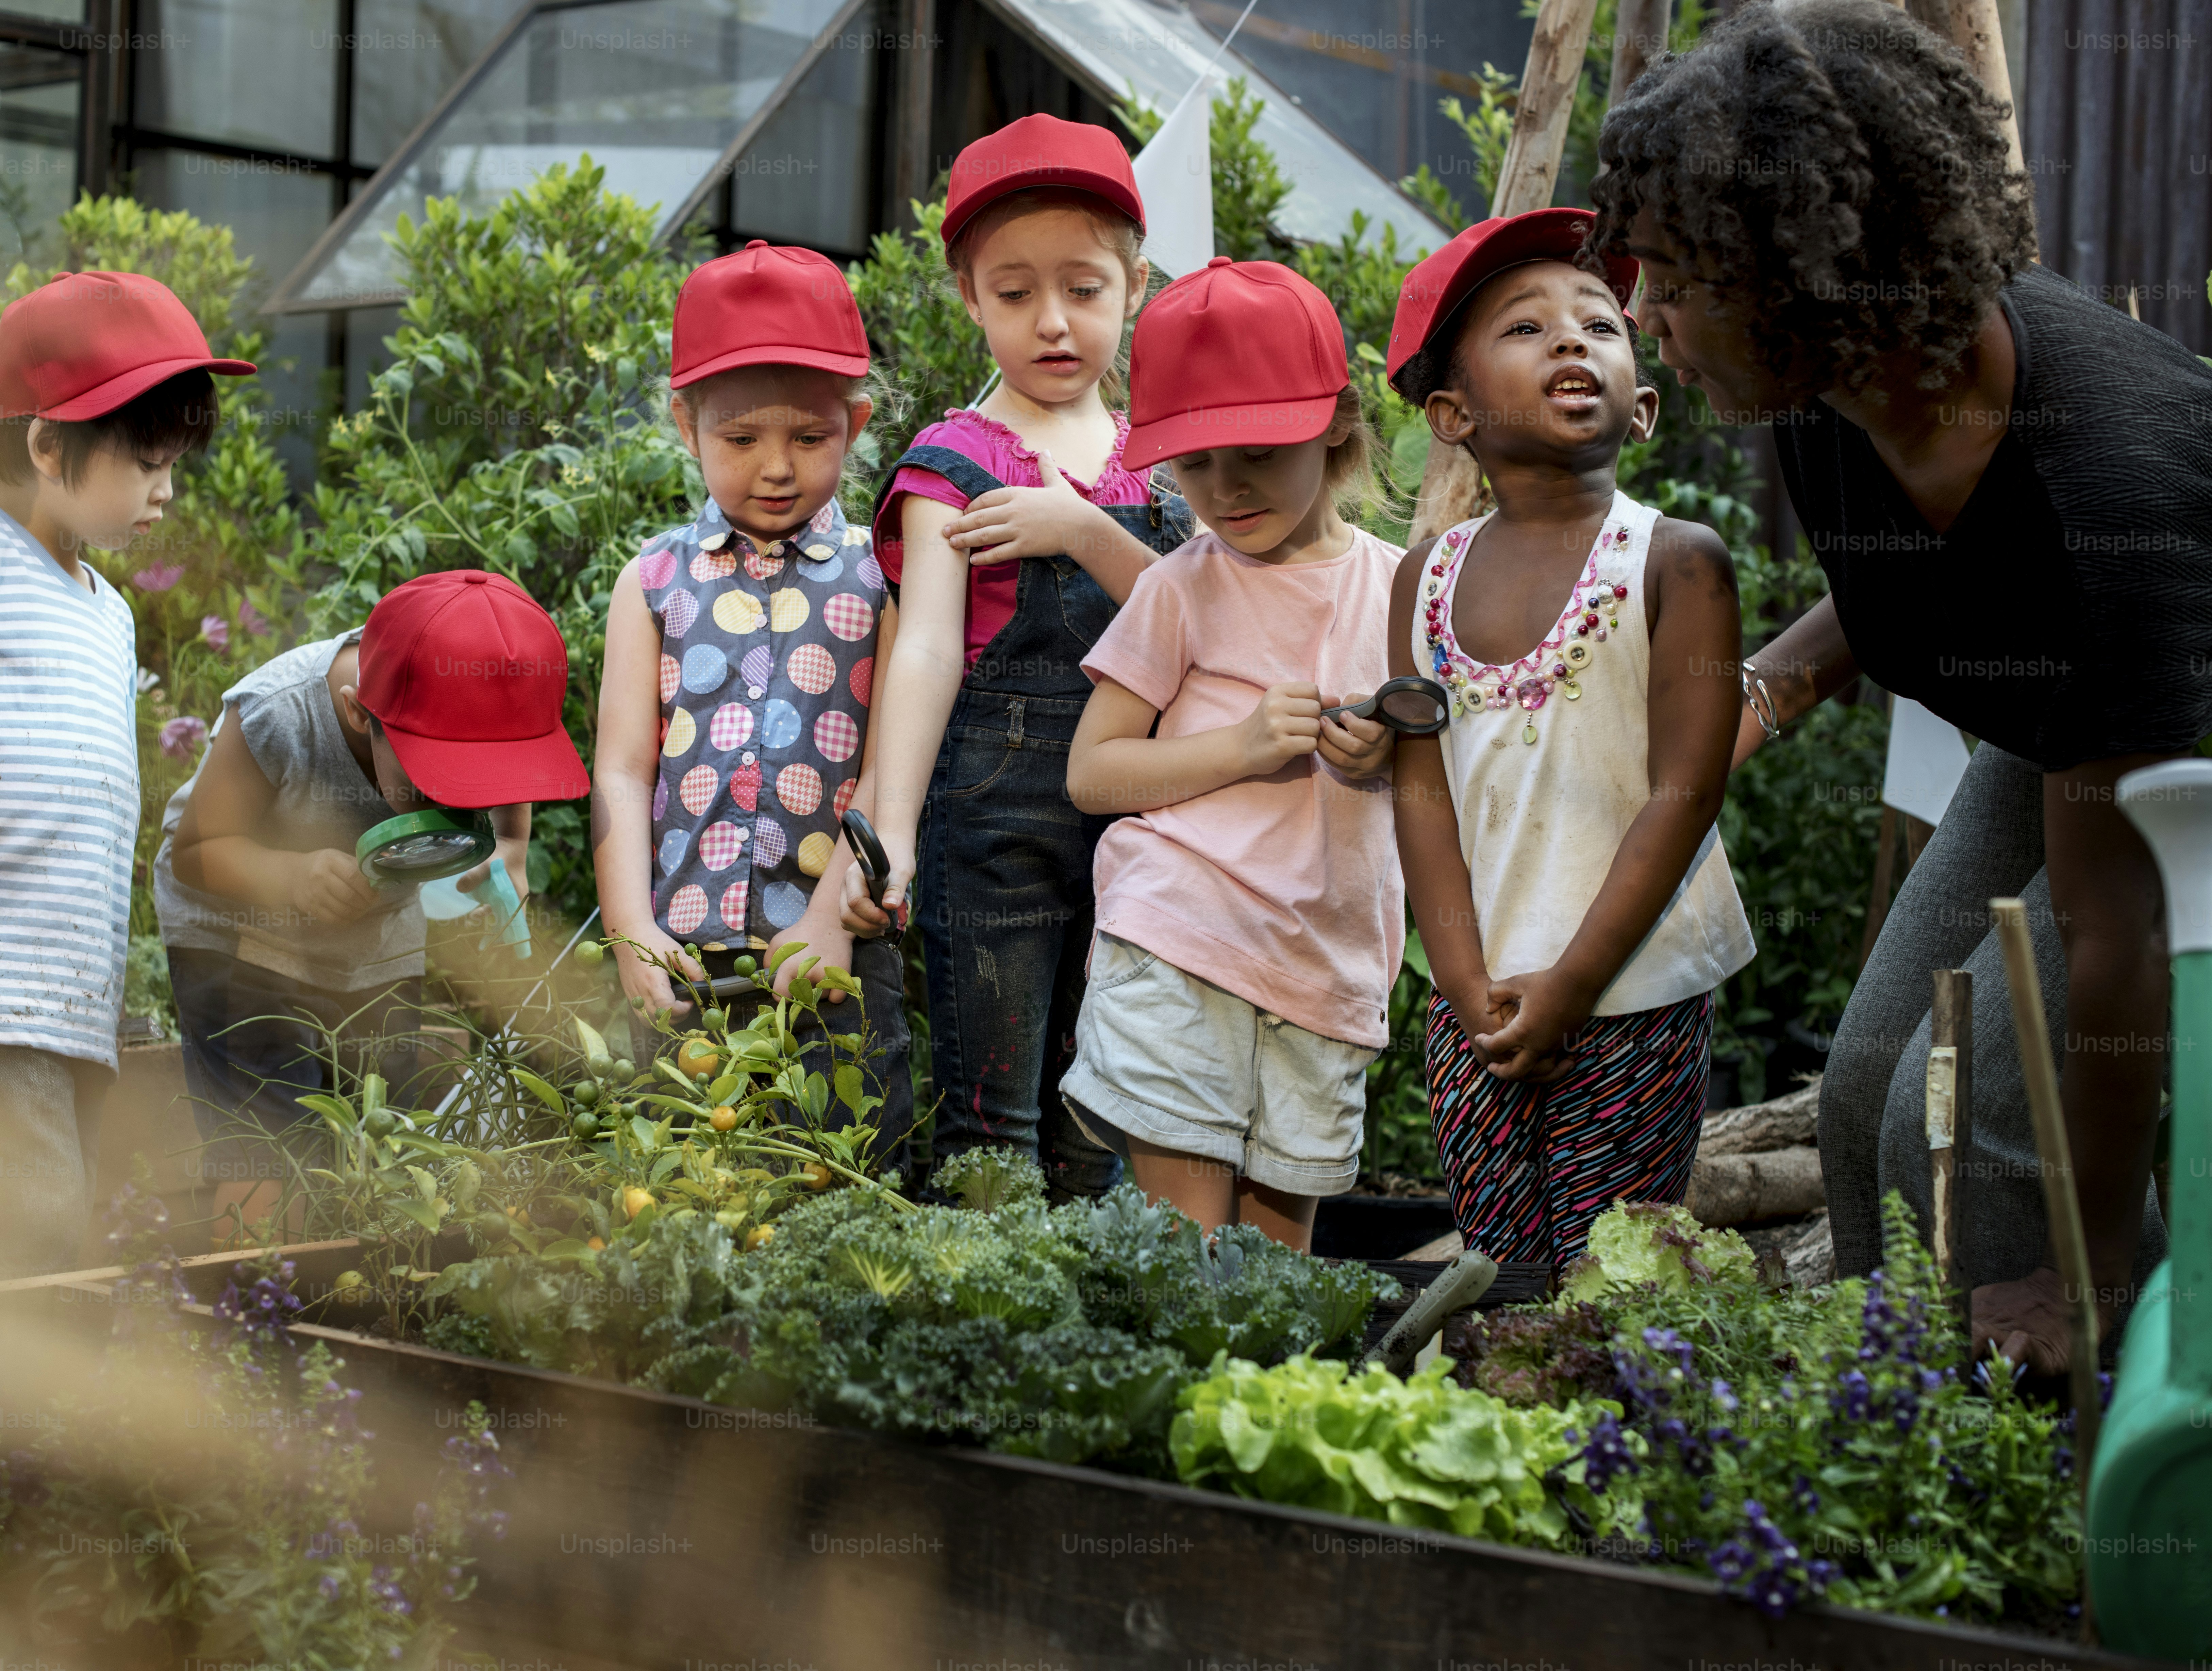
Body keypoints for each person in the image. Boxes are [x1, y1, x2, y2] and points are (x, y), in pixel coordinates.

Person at [1590, 0, 2212, 1368]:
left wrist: (2080, 1277)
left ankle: (2102, 1421)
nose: (1641, 317)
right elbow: (1914, 578)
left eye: (1675, 285)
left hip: (2183, 752)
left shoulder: (2101, 496)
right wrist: (1757, 698)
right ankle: (1901, 1410)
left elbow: (2110, 950)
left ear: (1805, 282)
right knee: (1869, 1084)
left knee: (1993, 1121)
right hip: (2072, 725)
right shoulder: (1834, 393)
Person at [1384, 209, 1757, 1275]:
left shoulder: (1678, 564)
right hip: (1480, 1002)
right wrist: (1463, 985)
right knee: (1496, 1276)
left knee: (1613, 1280)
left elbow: (1685, 795)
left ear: (1644, 406)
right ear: (1453, 413)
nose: (1570, 339)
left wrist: (1575, 984)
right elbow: (1421, 791)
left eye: (1600, 324)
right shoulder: (1423, 580)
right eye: (1525, 327)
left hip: (1632, 992)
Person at [846, 115, 1194, 1201]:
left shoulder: (1166, 466)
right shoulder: (952, 465)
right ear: (969, 296)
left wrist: (1083, 530)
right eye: (1014, 292)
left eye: (1084, 289)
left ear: (1134, 287)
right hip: (995, 820)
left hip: (1142, 826)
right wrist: (892, 829)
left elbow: (1203, 627)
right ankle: (985, 1291)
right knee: (993, 1115)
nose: (1053, 322)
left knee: (1105, 1115)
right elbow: (925, 650)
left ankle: (1087, 1304)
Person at [1055, 258, 1399, 1252]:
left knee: (1274, 1277)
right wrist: (1242, 747)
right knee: (1191, 1257)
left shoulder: (1405, 589)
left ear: (1337, 423)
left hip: (1325, 969)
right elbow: (1094, 773)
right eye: (1194, 463)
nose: (1225, 486)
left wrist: (1383, 759)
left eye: (1257, 450)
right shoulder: (1180, 586)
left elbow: (1455, 786)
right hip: (1182, 936)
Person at [592, 240, 912, 1172]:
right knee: (684, 1191)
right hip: (686, 961)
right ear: (686, 424)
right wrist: (633, 935)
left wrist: (832, 915)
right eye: (741, 440)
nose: (776, 468)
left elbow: (894, 765)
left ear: (855, 423)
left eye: (810, 438)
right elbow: (621, 769)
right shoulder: (653, 580)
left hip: (835, 951)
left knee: (844, 1180)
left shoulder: (883, 577)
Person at [157, 569, 580, 1237]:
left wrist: (510, 846)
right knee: (274, 1138)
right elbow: (196, 850)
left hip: (374, 935)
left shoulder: (461, 692)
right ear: (360, 713)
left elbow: (510, 773)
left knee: (382, 1129)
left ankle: (353, 1280)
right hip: (244, 937)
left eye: (481, 781)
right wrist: (291, 877)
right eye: (439, 780)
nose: (457, 803)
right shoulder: (280, 713)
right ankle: (258, 1288)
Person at [0, 270, 255, 1276]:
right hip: (7, 995)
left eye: (176, 464)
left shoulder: (109, 613)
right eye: (149, 462)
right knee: (34, 1247)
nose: (168, 490)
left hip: (73, 1007)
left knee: (54, 1235)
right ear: (47, 446)